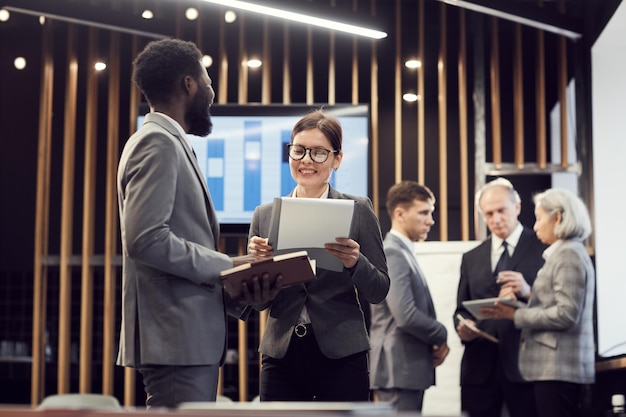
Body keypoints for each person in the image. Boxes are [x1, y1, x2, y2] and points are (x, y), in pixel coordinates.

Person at [117, 38, 278, 409]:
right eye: (207, 80)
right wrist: (231, 267)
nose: (212, 90)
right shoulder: (156, 142)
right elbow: (146, 240)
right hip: (176, 340)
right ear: (188, 84)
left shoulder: (168, 141)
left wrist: (240, 290)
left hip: (185, 340)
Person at [247, 109, 390, 401]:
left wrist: (355, 262)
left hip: (342, 352)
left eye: (318, 153)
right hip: (281, 352)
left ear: (337, 159)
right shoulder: (265, 215)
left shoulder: (358, 210)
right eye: (298, 151)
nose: (306, 161)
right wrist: (257, 268)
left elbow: (379, 290)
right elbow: (259, 303)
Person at [482, 188, 595, 417]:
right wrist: (526, 298)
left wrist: (515, 315)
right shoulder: (565, 252)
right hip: (555, 369)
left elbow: (566, 314)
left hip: (560, 369)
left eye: (539, 218)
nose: (535, 226)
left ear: (558, 218)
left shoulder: (568, 254)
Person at [453, 178, 547, 417]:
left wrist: (527, 291)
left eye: (501, 211)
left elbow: (557, 304)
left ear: (516, 207)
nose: (495, 219)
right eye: (489, 213)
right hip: (480, 367)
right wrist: (463, 326)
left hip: (527, 365)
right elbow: (461, 309)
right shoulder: (471, 257)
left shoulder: (543, 248)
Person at [369, 181, 449, 412]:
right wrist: (441, 334)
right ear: (400, 214)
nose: (430, 220)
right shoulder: (393, 252)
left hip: (403, 369)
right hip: (398, 368)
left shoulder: (402, 251)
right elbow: (405, 315)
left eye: (431, 213)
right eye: (424, 212)